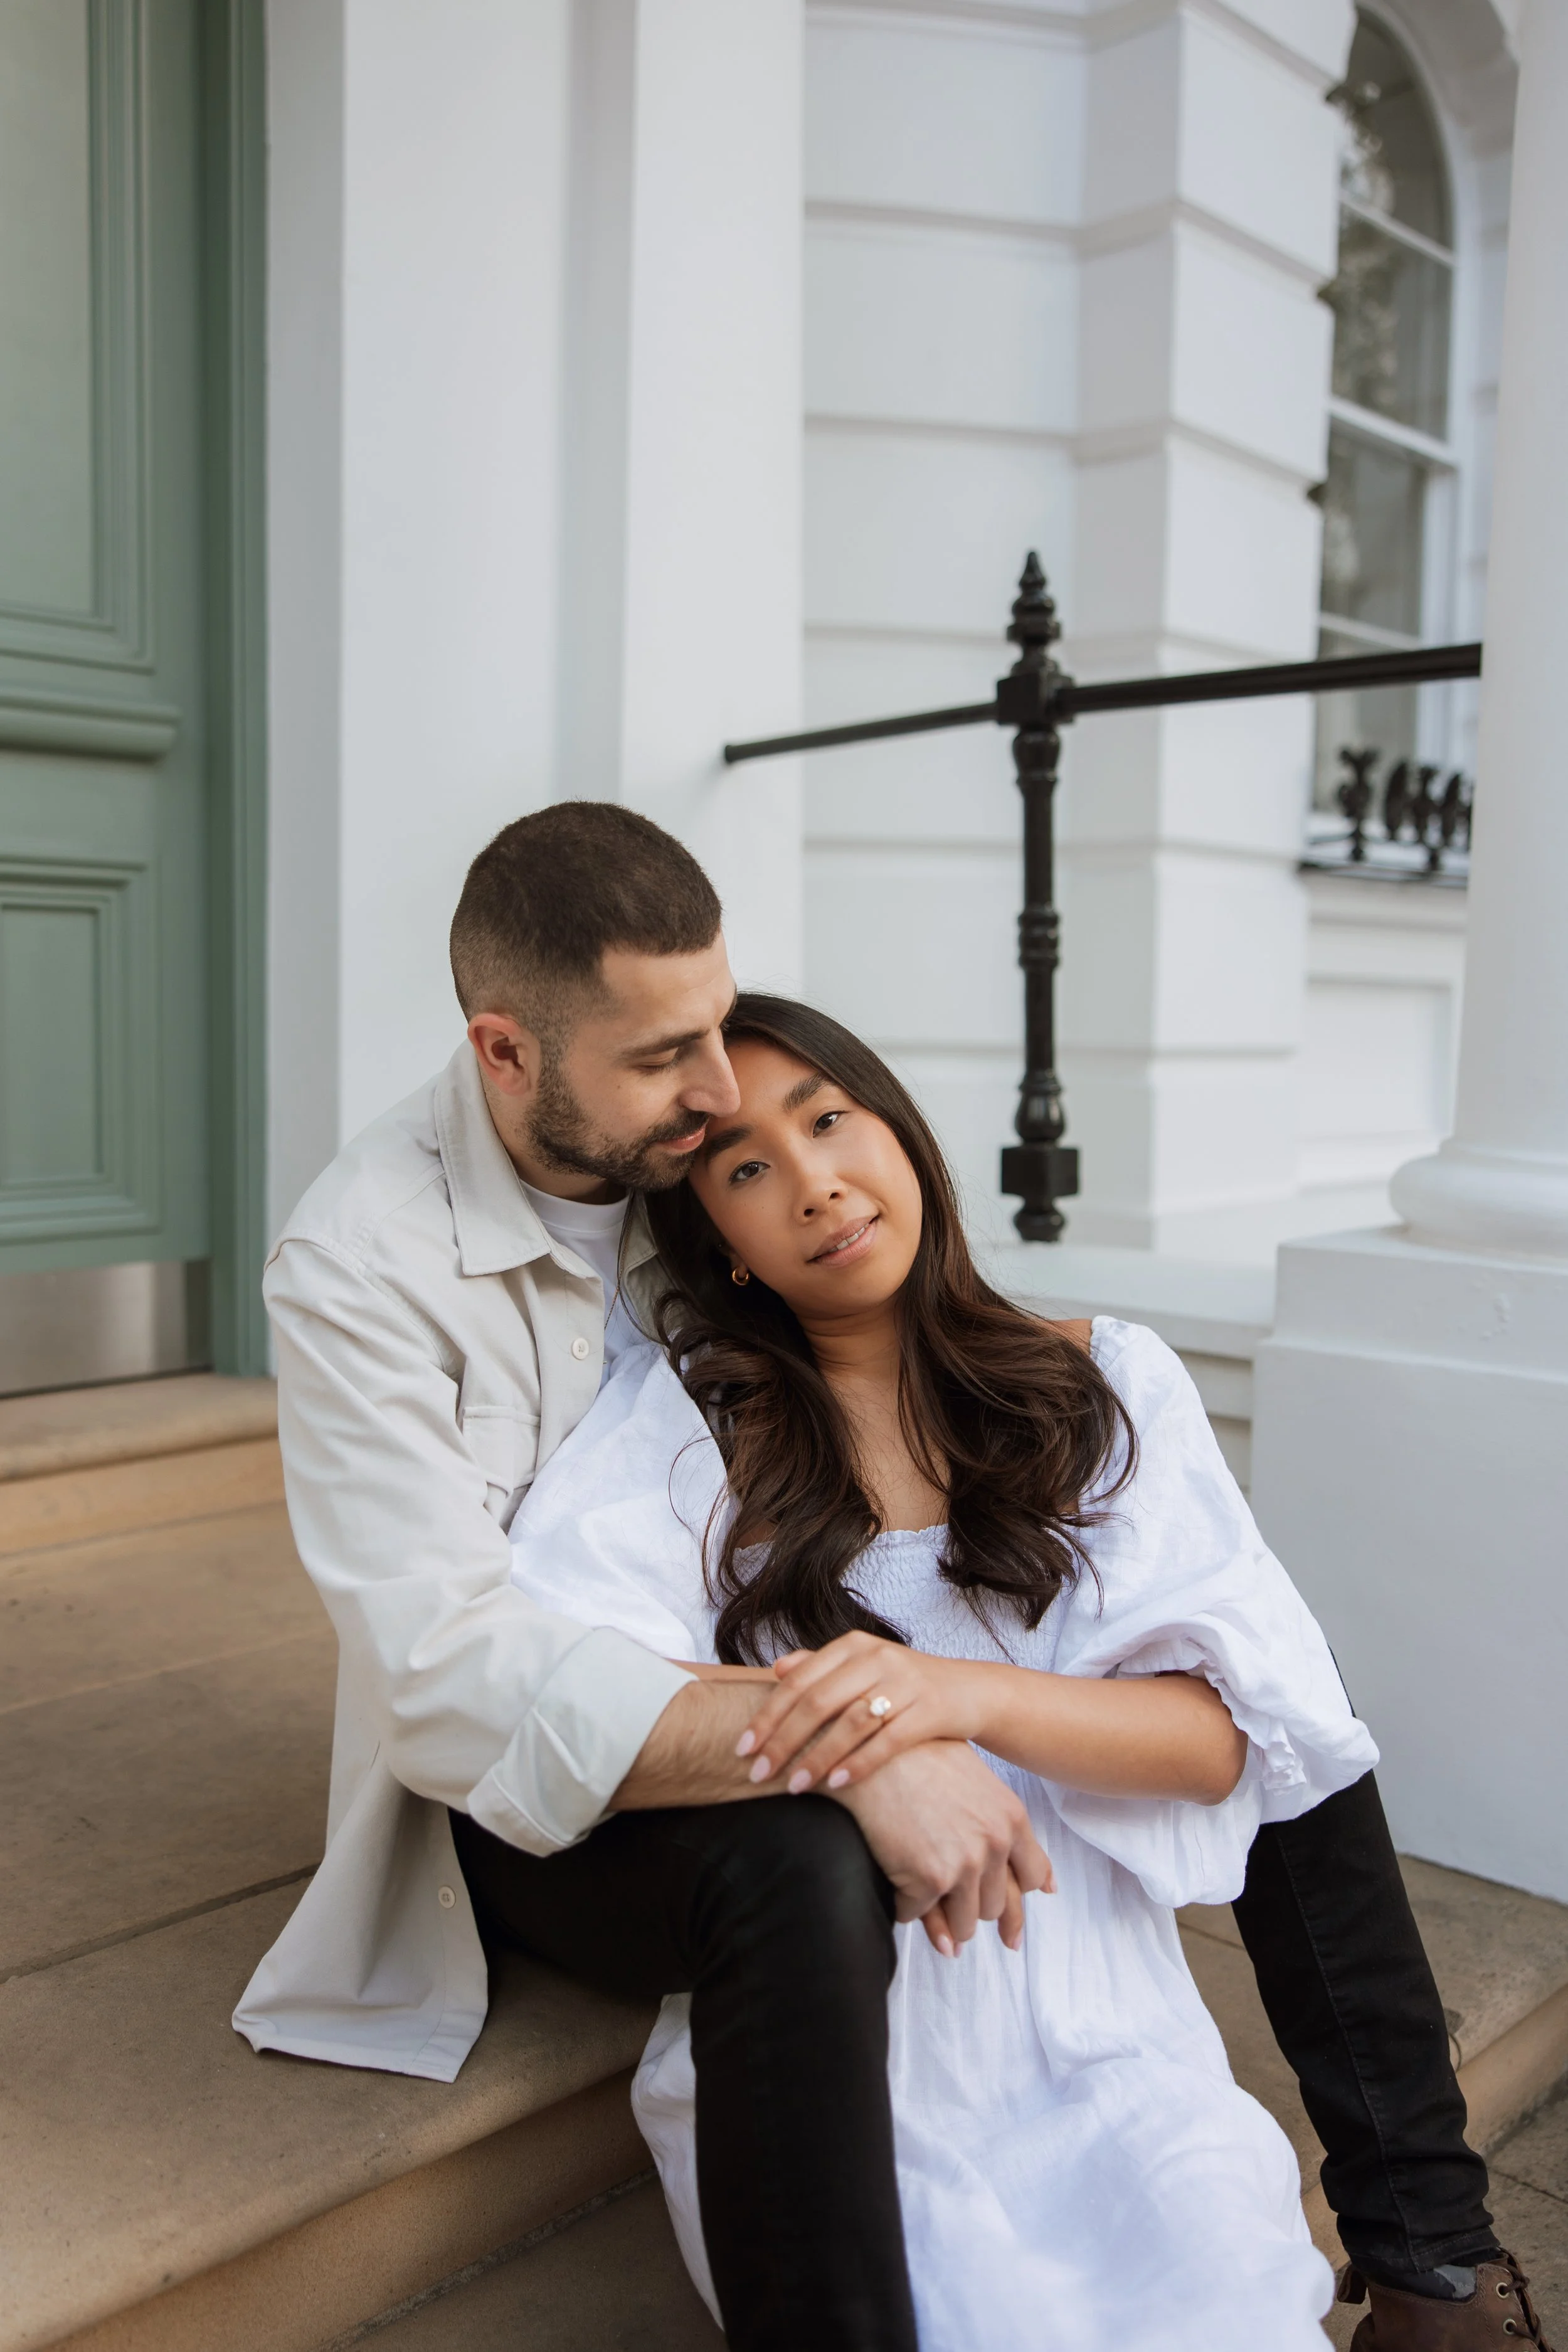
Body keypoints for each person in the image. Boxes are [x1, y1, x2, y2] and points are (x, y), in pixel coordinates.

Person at [235, 803, 1539, 2352]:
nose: (718, 1097)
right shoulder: (383, 1277)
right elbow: (448, 1676)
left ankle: (1434, 2260)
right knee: (802, 1866)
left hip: (1034, 1940)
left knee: (1287, 1703)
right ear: (507, 1055)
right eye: (675, 1074)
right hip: (559, 1778)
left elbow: (1234, 1729)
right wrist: (870, 1741)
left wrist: (944, 1698)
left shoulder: (1056, 1364)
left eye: (736, 1043)